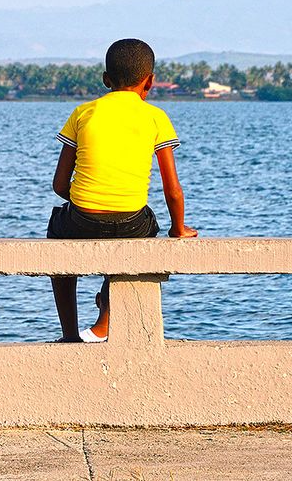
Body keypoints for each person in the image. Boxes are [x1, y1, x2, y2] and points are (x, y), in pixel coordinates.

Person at [47, 38, 197, 342]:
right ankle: (105, 314)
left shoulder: (82, 113)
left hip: (81, 219)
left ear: (106, 80)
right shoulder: (156, 117)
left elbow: (59, 184)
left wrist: (87, 201)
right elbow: (173, 190)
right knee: (136, 232)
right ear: (150, 81)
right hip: (132, 221)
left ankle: (69, 334)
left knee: (57, 235)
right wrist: (178, 228)